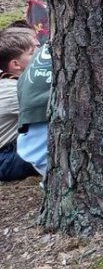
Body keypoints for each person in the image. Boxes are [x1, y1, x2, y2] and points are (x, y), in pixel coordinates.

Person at [0, 28, 41, 181]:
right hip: (4, 158)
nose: (40, 52)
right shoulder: (15, 92)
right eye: (32, 52)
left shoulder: (10, 81)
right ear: (16, 64)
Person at [15, 40, 52, 177]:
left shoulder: (43, 52)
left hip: (30, 149)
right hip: (45, 153)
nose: (37, 47)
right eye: (32, 50)